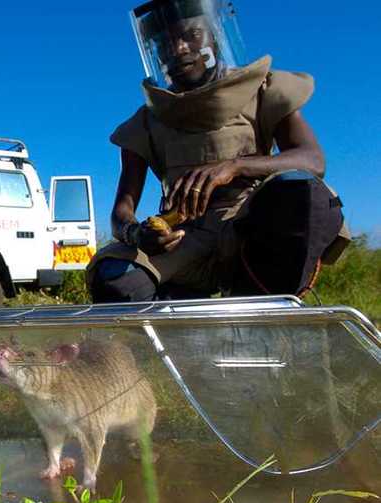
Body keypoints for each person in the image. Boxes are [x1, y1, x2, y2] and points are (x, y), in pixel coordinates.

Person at [87, 0, 348, 303]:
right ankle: (180, 315)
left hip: (251, 227)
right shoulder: (146, 121)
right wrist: (137, 234)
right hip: (186, 237)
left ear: (215, 36)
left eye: (191, 35)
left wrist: (234, 167)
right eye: (166, 43)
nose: (180, 48)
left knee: (305, 196)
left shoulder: (262, 90)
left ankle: (259, 305)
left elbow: (312, 160)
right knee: (116, 278)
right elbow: (121, 212)